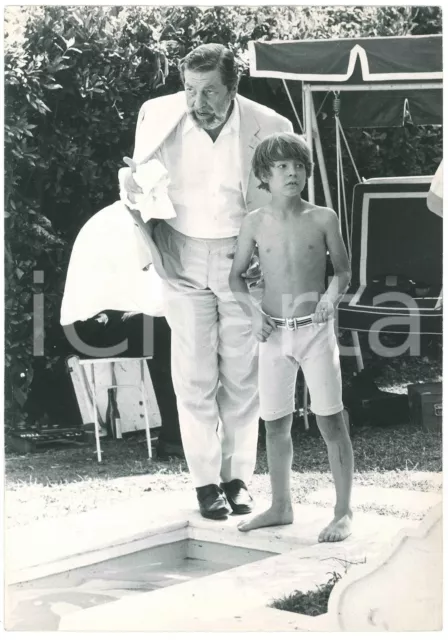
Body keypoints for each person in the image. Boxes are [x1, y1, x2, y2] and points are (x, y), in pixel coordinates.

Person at [122, 44, 293, 519]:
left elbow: (291, 199)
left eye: (210, 90)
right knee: (194, 376)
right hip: (182, 256)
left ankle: (237, 479)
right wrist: (150, 243)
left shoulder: (271, 127)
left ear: (233, 88)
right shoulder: (157, 116)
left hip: (244, 263)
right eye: (190, 90)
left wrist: (270, 252)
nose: (198, 101)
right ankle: (205, 484)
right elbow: (136, 189)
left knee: (241, 377)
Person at [229, 132, 354, 542]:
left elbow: (343, 271)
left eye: (298, 165)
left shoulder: (323, 217)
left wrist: (331, 299)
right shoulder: (254, 222)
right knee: (274, 423)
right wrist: (253, 314)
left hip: (315, 332)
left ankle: (342, 511)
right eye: (281, 166)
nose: (292, 173)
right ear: (264, 175)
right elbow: (236, 278)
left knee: (331, 420)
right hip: (271, 334)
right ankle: (281, 506)